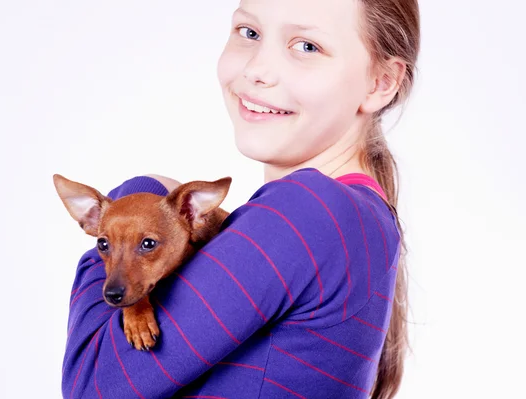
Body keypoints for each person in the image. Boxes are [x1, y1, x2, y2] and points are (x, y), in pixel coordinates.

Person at [61, 0, 420, 398]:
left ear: (380, 82)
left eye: (306, 46)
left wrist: (137, 193)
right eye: (249, 33)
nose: (256, 70)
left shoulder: (307, 212)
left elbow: (92, 385)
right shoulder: (357, 215)